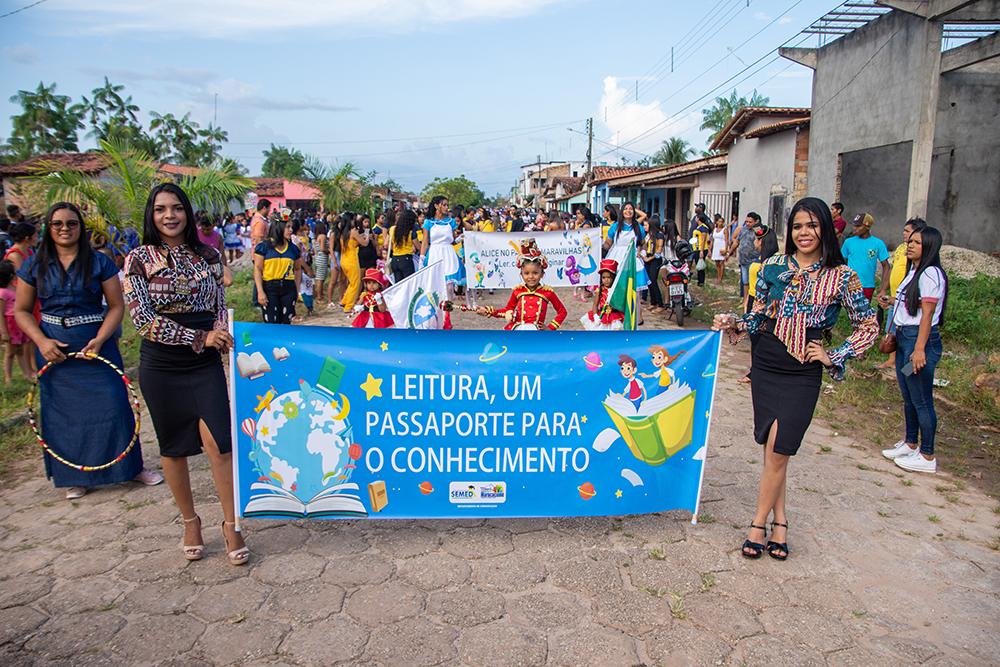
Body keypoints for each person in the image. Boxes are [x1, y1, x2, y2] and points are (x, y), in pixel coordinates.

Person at [713, 197, 878, 561]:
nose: (805, 233)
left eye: (813, 225)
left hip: (803, 370)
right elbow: (757, 316)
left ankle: (758, 523)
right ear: (790, 230)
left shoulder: (842, 276)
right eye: (798, 226)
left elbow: (868, 325)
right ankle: (782, 521)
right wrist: (734, 323)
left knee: (780, 448)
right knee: (774, 450)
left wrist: (834, 355)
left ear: (826, 229)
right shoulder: (771, 266)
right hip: (767, 363)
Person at [123, 183, 248, 565]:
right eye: (161, 209)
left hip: (204, 363)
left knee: (220, 445)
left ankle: (232, 525)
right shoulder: (137, 259)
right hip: (161, 365)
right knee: (173, 448)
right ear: (152, 214)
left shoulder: (209, 256)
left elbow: (218, 307)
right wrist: (201, 337)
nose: (170, 216)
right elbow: (143, 321)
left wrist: (220, 332)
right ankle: (190, 522)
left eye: (177, 208)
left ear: (187, 213)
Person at [14, 202, 161, 498]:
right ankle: (75, 476)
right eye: (58, 224)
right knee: (63, 413)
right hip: (54, 349)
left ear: (81, 228)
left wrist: (100, 339)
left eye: (72, 223)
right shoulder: (34, 264)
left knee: (115, 404)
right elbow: (21, 311)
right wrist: (42, 342)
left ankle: (130, 469)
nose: (65, 229)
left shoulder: (99, 262)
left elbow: (117, 306)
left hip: (98, 344)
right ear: (48, 228)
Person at [881, 226, 947, 474]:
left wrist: (919, 350)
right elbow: (915, 305)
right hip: (905, 337)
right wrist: (892, 302)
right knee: (908, 394)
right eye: (910, 241)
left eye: (916, 243)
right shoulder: (915, 272)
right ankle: (911, 443)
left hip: (918, 342)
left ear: (928, 246)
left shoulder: (931, 274)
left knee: (921, 399)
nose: (909, 245)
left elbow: (927, 315)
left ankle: (927, 455)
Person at [476, 238, 567, 330]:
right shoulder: (518, 291)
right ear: (521, 274)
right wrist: (488, 311)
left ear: (542, 274)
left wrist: (550, 328)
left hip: (537, 333)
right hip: (518, 330)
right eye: (526, 273)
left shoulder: (547, 292)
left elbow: (562, 312)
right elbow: (508, 311)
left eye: (535, 273)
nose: (531, 277)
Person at [877, 217, 927, 370]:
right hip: (897, 298)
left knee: (908, 338)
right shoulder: (901, 248)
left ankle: (909, 369)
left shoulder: (927, 269)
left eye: (908, 231)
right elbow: (892, 268)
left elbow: (927, 308)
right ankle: (895, 363)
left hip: (906, 303)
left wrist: (899, 300)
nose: (904, 234)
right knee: (892, 332)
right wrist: (885, 290)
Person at [603, 202, 649, 324]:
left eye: (631, 209)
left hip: (633, 258)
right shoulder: (615, 226)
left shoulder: (638, 227)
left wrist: (643, 253)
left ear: (634, 212)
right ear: (622, 211)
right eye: (626, 208)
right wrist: (599, 246)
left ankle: (638, 317)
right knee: (617, 287)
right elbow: (608, 243)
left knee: (636, 290)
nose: (628, 211)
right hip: (617, 258)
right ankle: (617, 315)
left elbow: (643, 243)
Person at [254, 219, 306, 325]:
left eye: (291, 227)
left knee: (286, 321)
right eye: (287, 227)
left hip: (288, 288)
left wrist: (297, 290)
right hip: (270, 288)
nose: (291, 230)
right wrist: (260, 291)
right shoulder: (264, 247)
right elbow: (258, 269)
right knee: (272, 322)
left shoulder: (293, 249)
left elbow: (297, 269)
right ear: (278, 228)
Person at [841, 212, 890, 304]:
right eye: (854, 225)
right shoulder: (848, 242)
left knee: (864, 314)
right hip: (849, 284)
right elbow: (842, 263)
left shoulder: (878, 243)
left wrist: (883, 288)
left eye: (858, 226)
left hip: (867, 285)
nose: (854, 228)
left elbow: (886, 266)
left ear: (867, 226)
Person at [420, 196, 462, 293]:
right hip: (434, 253)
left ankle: (448, 306)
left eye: (447, 205)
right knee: (434, 284)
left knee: (449, 286)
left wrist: (459, 239)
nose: (446, 207)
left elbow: (453, 240)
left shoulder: (451, 221)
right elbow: (425, 242)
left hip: (449, 253)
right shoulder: (428, 222)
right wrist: (422, 258)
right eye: (444, 205)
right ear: (436, 206)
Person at [0, 260, 32, 383]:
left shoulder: (14, 288)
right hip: (10, 324)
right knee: (10, 352)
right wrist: (4, 332)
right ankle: (8, 378)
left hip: (17, 323)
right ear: (10, 275)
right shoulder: (3, 293)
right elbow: (1, 313)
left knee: (20, 350)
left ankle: (26, 373)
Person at [581, 259, 624, 330]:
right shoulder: (599, 290)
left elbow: (621, 304)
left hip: (614, 317)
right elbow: (595, 305)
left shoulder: (617, 290)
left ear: (613, 278)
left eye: (608, 277)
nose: (606, 280)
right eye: (604, 277)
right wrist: (595, 315)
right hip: (602, 316)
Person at [338, 213, 369, 313]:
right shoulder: (353, 231)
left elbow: (353, 242)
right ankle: (348, 306)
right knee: (355, 283)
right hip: (351, 260)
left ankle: (344, 301)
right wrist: (367, 235)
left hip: (344, 260)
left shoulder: (343, 232)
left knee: (351, 283)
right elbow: (365, 243)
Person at [730, 212, 762, 298]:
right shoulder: (743, 229)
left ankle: (753, 300)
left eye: (750, 222)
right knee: (745, 282)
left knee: (753, 283)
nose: (747, 223)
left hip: (754, 261)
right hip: (743, 261)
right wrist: (730, 252)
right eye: (746, 221)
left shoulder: (758, 231)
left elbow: (761, 245)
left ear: (756, 222)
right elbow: (737, 241)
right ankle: (745, 300)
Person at [387, 208, 419, 283]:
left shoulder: (392, 229)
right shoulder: (411, 232)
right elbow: (418, 247)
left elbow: (386, 244)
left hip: (395, 260)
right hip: (406, 260)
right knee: (409, 284)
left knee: (399, 286)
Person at [644, 215, 665, 312]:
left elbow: (659, 251)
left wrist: (649, 259)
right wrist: (643, 256)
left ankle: (660, 304)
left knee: (653, 280)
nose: (646, 226)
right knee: (648, 281)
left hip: (655, 260)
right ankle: (653, 302)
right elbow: (644, 245)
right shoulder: (649, 234)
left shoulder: (659, 235)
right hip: (647, 258)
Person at [690, 203, 712, 287]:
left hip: (700, 249)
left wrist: (701, 251)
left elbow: (703, 240)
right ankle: (700, 281)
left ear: (698, 219)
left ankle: (701, 282)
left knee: (700, 266)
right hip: (697, 248)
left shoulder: (703, 228)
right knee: (698, 265)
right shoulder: (699, 227)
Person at [312, 220, 329, 304]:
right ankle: (319, 297)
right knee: (320, 278)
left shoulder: (316, 238)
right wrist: (329, 250)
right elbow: (322, 248)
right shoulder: (323, 236)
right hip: (322, 258)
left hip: (317, 258)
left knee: (319, 277)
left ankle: (320, 295)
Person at [710, 213, 729, 285]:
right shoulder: (714, 229)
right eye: (719, 221)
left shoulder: (725, 230)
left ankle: (720, 278)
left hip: (722, 247)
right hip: (716, 247)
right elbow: (712, 240)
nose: (720, 223)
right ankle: (718, 276)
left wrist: (726, 249)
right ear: (717, 222)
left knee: (721, 263)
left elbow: (727, 240)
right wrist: (710, 249)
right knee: (717, 263)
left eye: (722, 222)